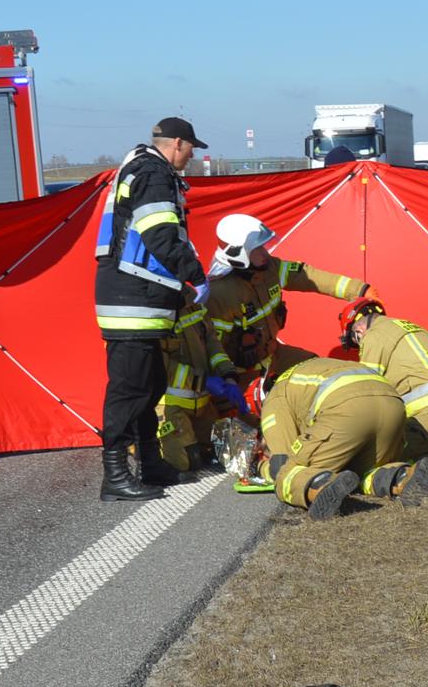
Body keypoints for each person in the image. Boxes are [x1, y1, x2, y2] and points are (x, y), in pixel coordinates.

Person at [93, 117, 211, 502]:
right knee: (129, 390)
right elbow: (159, 234)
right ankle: (115, 476)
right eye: (192, 147)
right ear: (177, 143)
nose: (193, 155)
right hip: (131, 301)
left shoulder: (143, 169)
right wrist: (194, 275)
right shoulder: (154, 174)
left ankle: (150, 462)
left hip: (142, 297)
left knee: (150, 386)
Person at [254, 357, 428, 519]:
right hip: (393, 405)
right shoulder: (308, 371)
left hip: (348, 407)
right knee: (361, 470)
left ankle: (319, 485)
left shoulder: (275, 397)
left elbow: (281, 461)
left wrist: (260, 466)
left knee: (288, 473)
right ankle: (402, 478)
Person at [204, 213, 376, 386]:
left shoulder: (270, 268)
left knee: (323, 373)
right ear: (238, 254)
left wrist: (360, 290)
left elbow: (306, 276)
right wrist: (229, 382)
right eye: (257, 249)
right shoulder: (219, 294)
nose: (265, 252)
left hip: (274, 355)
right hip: (242, 376)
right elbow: (213, 348)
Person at [338, 298, 428, 476]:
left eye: (355, 342)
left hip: (427, 419)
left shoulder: (374, 335)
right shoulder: (412, 328)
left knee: (367, 457)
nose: (358, 346)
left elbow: (367, 393)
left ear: (358, 331)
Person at [153, 298, 244, 483]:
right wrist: (202, 381)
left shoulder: (192, 304)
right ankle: (138, 444)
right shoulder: (155, 312)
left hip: (201, 403)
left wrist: (228, 375)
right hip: (170, 403)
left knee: (225, 453)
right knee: (185, 463)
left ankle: (194, 438)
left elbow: (213, 344)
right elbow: (159, 367)